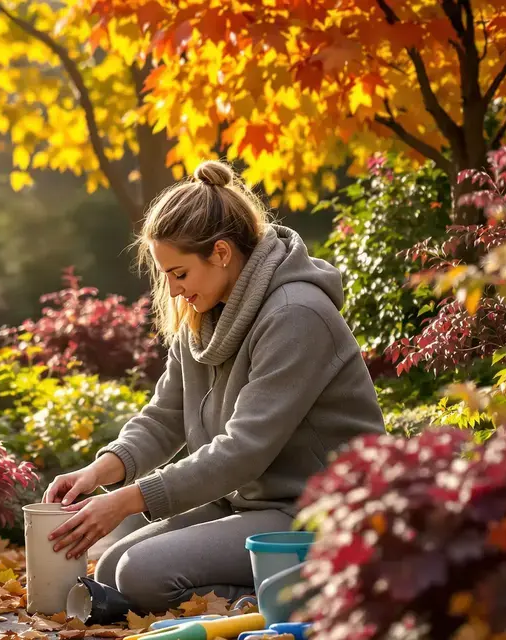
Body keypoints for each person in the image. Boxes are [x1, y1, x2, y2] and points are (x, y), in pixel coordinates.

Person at [42, 159, 385, 613]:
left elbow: (243, 450)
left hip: (318, 511)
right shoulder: (208, 314)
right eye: (167, 276)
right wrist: (100, 472)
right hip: (249, 503)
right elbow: (165, 415)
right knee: (112, 567)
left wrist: (128, 500)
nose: (174, 291)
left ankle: (313, 599)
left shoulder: (295, 315)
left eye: (180, 274)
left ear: (221, 253)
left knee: (140, 576)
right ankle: (266, 592)